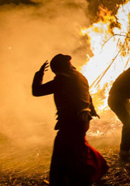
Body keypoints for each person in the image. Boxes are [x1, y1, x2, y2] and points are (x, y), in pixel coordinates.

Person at [32, 54, 108, 185]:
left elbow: (37, 91)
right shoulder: (80, 76)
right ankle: (85, 175)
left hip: (71, 122)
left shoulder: (63, 79)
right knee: (76, 150)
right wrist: (93, 111)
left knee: (63, 152)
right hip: (82, 121)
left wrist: (39, 74)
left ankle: (94, 169)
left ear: (57, 68)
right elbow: (89, 96)